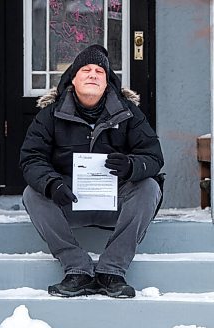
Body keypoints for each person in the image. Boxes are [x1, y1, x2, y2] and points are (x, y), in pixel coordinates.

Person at [20, 45, 164, 298]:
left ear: (108, 82)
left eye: (100, 71)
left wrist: (131, 166)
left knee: (149, 186)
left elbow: (153, 157)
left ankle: (112, 271)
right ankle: (77, 270)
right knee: (33, 193)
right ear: (72, 79)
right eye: (86, 69)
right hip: (69, 202)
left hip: (116, 203)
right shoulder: (49, 116)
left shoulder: (130, 114)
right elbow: (31, 158)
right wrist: (52, 184)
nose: (93, 74)